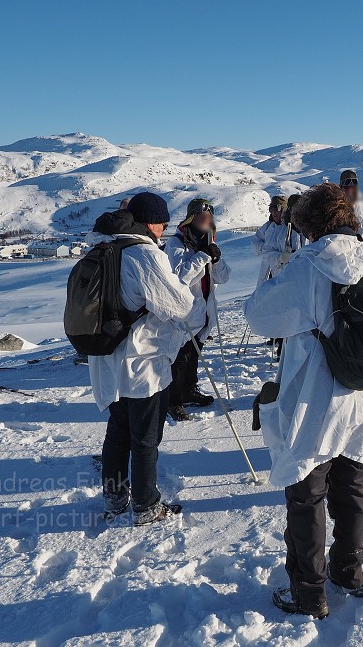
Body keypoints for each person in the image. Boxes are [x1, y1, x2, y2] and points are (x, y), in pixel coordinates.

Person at [245, 183, 363, 619]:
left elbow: (257, 316)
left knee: (306, 495)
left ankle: (309, 592)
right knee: (352, 485)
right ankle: (349, 573)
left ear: (310, 225)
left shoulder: (307, 264)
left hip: (313, 396)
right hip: (361, 395)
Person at [86, 192, 195, 525]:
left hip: (106, 357)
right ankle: (146, 504)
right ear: (151, 221)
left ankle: (115, 496)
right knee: (146, 437)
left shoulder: (103, 248)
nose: (164, 229)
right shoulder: (145, 254)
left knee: (118, 431)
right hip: (142, 360)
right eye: (162, 222)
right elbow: (179, 305)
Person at [163, 198, 231, 421]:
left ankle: (188, 390)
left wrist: (216, 259)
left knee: (193, 355)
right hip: (182, 314)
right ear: (191, 219)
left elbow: (224, 277)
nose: (205, 221)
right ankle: (173, 400)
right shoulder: (176, 244)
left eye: (209, 218)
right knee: (178, 359)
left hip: (202, 313)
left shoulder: (207, 242)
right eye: (201, 217)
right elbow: (179, 276)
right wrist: (203, 256)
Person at [252, 195, 287, 285]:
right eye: (271, 209)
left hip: (282, 271)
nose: (274, 212)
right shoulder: (269, 226)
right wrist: (265, 249)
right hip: (267, 269)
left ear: (284, 209)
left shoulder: (290, 229)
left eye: (277, 208)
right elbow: (255, 240)